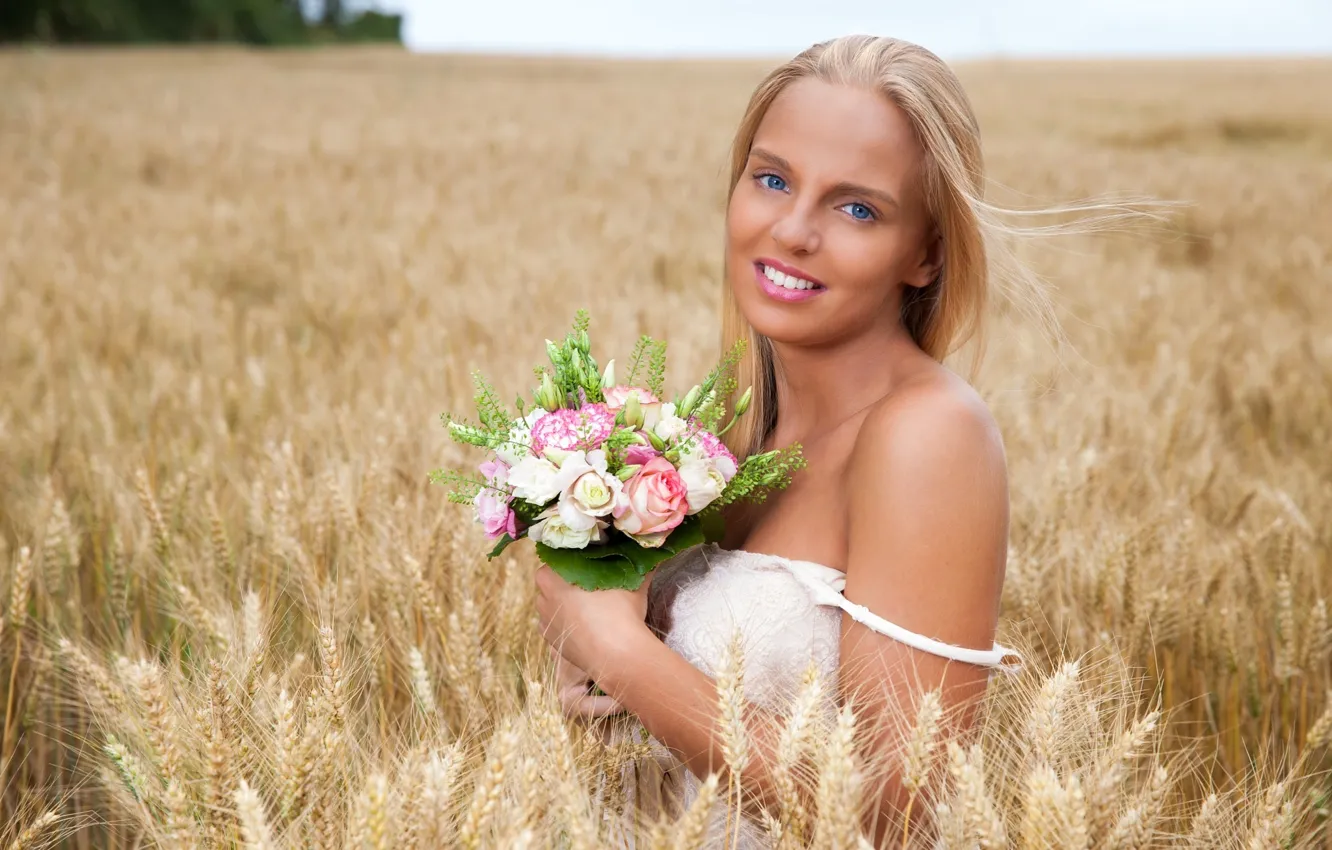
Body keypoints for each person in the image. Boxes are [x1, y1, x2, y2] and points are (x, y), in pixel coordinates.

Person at [534, 33, 1037, 848]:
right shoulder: (725, 431)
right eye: (772, 179)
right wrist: (590, 645)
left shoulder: (926, 436)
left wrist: (623, 653)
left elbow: (894, 818)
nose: (793, 230)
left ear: (927, 254)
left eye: (856, 207)